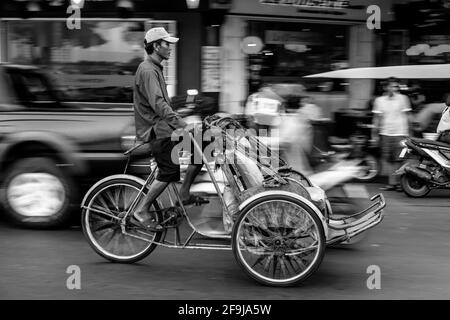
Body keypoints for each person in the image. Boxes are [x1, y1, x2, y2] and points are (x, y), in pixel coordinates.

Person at [131, 27, 207, 230]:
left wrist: (186, 119)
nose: (171, 48)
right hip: (157, 131)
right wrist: (183, 125)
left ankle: (184, 193)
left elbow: (165, 104)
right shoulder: (148, 70)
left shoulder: (155, 68)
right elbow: (158, 104)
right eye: (167, 44)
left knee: (203, 144)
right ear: (156, 46)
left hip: (166, 127)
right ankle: (141, 210)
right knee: (169, 170)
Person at [372, 77, 412, 191]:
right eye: (391, 86)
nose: (394, 89)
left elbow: (408, 116)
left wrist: (410, 133)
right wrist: (374, 134)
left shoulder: (403, 99)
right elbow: (377, 118)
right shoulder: (379, 100)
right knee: (388, 159)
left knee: (399, 159)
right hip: (385, 133)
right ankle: (391, 183)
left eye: (395, 86)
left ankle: (399, 184)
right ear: (385, 87)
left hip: (400, 132)